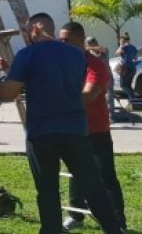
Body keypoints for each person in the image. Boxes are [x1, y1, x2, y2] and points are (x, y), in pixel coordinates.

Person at [0, 13, 121, 233]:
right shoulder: (76, 55)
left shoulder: (27, 55)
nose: (25, 35)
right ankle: (113, 229)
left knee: (47, 191)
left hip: (42, 132)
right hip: (75, 130)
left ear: (35, 28)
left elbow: (8, 93)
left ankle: (51, 230)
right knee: (93, 186)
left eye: (26, 30)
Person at [59, 22, 126, 232]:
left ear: (81, 40)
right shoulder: (62, 64)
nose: (62, 44)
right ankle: (76, 216)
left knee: (105, 176)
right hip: (71, 129)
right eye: (60, 40)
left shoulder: (95, 65)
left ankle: (118, 223)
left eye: (66, 40)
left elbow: (89, 95)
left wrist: (54, 97)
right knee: (74, 173)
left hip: (96, 130)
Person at [115, 32, 137, 96]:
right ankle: (132, 99)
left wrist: (121, 45)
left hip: (125, 69)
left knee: (123, 86)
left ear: (123, 40)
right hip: (133, 68)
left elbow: (116, 53)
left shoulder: (123, 47)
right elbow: (135, 59)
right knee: (128, 85)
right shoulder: (133, 47)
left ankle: (131, 98)